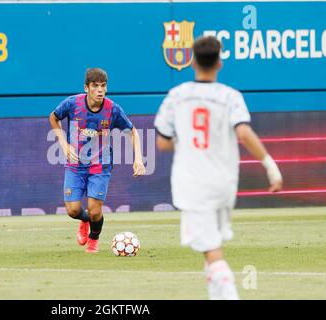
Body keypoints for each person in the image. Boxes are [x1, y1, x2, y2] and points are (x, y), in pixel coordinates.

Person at [154, 36, 283, 300]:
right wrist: (270, 165)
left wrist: (185, 141)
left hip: (193, 184)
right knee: (212, 246)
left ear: (191, 61)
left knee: (212, 251)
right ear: (220, 63)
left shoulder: (177, 96)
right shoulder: (230, 96)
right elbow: (244, 133)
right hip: (224, 183)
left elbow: (162, 142)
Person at [49, 68, 146, 253]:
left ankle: (94, 238)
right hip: (75, 165)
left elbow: (132, 132)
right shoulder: (72, 103)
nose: (100, 90)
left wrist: (138, 159)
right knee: (73, 210)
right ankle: (84, 221)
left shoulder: (112, 109)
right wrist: (63, 143)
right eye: (95, 86)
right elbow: (53, 117)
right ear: (86, 88)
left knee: (95, 210)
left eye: (103, 86)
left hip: (100, 166)